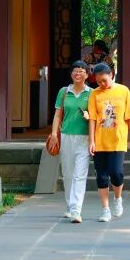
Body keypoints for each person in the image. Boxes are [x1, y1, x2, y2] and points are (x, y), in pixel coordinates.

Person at [88, 63, 130, 222]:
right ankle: (105, 209)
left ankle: (117, 198)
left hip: (118, 140)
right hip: (100, 141)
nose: (102, 84)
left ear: (111, 75)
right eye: (98, 82)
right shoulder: (94, 94)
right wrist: (91, 140)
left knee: (116, 173)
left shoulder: (123, 91)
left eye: (104, 80)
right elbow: (92, 119)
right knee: (101, 176)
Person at [50, 60, 93, 223]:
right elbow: (57, 115)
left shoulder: (92, 93)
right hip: (66, 136)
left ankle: (76, 210)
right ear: (71, 73)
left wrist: (89, 117)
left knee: (79, 175)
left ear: (87, 75)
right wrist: (54, 134)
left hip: (84, 138)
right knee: (67, 174)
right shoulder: (63, 92)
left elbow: (96, 117)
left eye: (82, 71)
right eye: (75, 70)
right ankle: (69, 205)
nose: (78, 73)